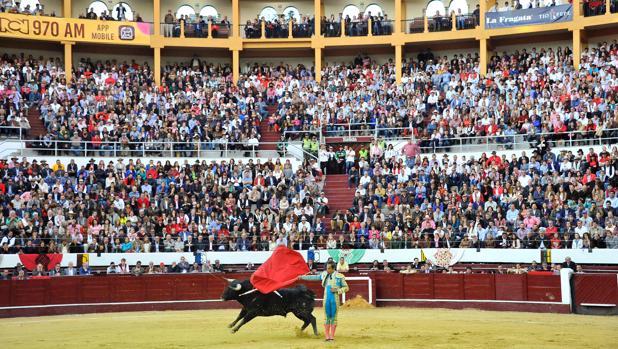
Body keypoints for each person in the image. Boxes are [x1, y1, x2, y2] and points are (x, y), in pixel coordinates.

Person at [299, 260, 349, 341]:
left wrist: (337, 290)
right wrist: (302, 277)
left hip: (335, 300)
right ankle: (327, 337)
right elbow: (314, 277)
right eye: (326, 268)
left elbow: (346, 288)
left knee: (334, 318)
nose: (327, 269)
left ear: (333, 269)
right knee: (326, 318)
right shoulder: (324, 274)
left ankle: (331, 337)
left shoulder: (340, 276)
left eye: (329, 268)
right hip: (326, 299)